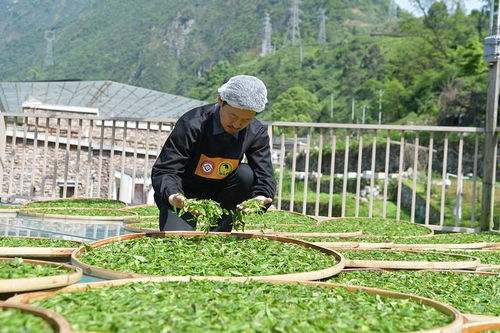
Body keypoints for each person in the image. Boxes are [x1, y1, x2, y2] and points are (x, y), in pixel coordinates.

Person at [152, 75, 276, 231]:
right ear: (220, 101)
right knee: (177, 240)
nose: (237, 124)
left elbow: (264, 174)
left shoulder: (256, 133)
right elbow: (166, 170)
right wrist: (173, 195)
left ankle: (220, 226)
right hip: (184, 195)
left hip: (222, 196)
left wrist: (260, 196)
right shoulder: (192, 124)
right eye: (233, 116)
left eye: (246, 120)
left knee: (245, 173)